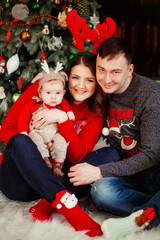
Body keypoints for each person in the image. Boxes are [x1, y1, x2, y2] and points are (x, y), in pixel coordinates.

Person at [0, 54, 119, 237]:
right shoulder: (44, 90)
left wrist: (62, 120)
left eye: (89, 80)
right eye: (75, 78)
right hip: (21, 183)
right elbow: (6, 129)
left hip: (57, 174)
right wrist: (35, 152)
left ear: (97, 84)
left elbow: (77, 157)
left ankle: (47, 205)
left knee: (110, 154)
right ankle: (70, 208)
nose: (81, 86)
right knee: (20, 140)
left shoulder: (96, 111)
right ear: (66, 78)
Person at [58, 37, 160, 236]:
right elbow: (68, 92)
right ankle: (151, 207)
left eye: (115, 72)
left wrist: (99, 172)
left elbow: (152, 155)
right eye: (101, 69)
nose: (106, 79)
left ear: (130, 70)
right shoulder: (99, 89)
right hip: (128, 175)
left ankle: (147, 214)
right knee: (100, 192)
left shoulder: (151, 95)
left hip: (156, 171)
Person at [18, 65, 75, 177]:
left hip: (54, 134)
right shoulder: (34, 104)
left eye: (57, 93)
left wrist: (68, 114)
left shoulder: (63, 106)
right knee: (34, 138)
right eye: (48, 93)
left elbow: (69, 121)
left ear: (63, 93)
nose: (53, 97)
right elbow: (22, 118)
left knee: (61, 141)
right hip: (38, 131)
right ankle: (45, 160)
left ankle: (58, 165)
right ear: (40, 93)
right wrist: (24, 133)